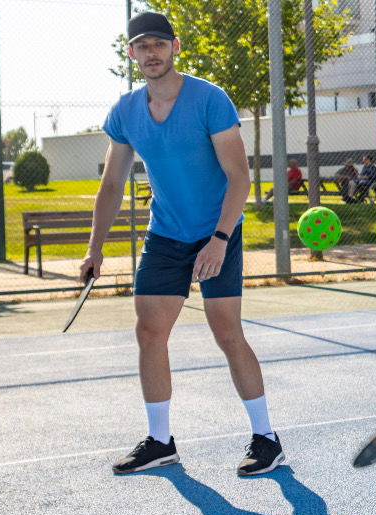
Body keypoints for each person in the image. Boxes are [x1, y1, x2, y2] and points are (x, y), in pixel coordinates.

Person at [81, 11, 284, 477]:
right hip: (166, 235)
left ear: (174, 47)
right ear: (131, 54)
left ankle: (267, 439)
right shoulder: (126, 111)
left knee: (226, 332)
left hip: (218, 233)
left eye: (158, 44)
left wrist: (218, 240)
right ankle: (160, 441)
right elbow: (111, 185)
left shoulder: (209, 99)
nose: (150, 53)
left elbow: (240, 176)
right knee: (149, 332)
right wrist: (95, 249)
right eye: (141, 46)